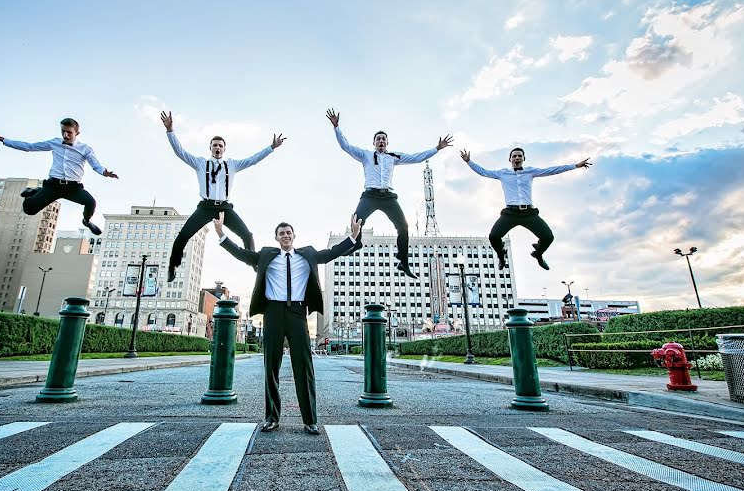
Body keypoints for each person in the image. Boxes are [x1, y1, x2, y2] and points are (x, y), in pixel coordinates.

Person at [213, 211, 362, 435]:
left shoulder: (307, 255)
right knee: (271, 366)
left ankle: (310, 419)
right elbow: (242, 254)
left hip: (297, 313)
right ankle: (272, 418)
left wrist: (353, 236)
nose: (285, 236)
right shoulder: (266, 255)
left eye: (288, 233)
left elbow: (331, 253)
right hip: (272, 312)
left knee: (304, 366)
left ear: (294, 236)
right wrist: (221, 234)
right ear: (276, 238)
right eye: (281, 233)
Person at [326, 108, 453, 278]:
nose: (381, 141)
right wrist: (336, 127)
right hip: (370, 195)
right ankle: (356, 243)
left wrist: (436, 148)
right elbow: (345, 146)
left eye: (383, 139)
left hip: (388, 197)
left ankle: (403, 261)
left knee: (404, 227)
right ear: (374, 143)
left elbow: (416, 157)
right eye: (378, 139)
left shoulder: (393, 157)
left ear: (387, 143)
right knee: (356, 219)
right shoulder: (365, 155)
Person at [161, 111, 285, 282]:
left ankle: (256, 266)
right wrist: (170, 131)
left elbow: (253, 159)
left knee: (247, 235)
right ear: (210, 148)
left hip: (224, 208)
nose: (217, 148)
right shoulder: (200, 163)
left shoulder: (232, 165)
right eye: (214, 145)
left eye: (220, 146)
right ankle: (172, 267)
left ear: (224, 149)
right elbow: (180, 152)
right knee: (183, 235)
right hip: (205, 207)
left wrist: (271, 147)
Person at [460, 147, 591, 271]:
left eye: (519, 156)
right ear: (510, 159)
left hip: (529, 213)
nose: (517, 158)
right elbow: (484, 172)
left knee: (548, 237)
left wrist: (575, 166)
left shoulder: (531, 171)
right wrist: (469, 162)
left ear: (523, 158)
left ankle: (538, 254)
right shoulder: (502, 173)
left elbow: (552, 170)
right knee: (494, 237)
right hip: (510, 213)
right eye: (514, 156)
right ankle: (501, 255)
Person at [0, 118, 118, 235]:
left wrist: (104, 172)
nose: (65, 135)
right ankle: (33, 193)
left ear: (77, 133)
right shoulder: (55, 142)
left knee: (90, 202)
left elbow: (96, 165)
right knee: (29, 210)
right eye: (63, 131)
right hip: (53, 186)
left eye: (69, 132)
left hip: (73, 188)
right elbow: (29, 146)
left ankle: (86, 221)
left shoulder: (85, 149)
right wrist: (1, 139)